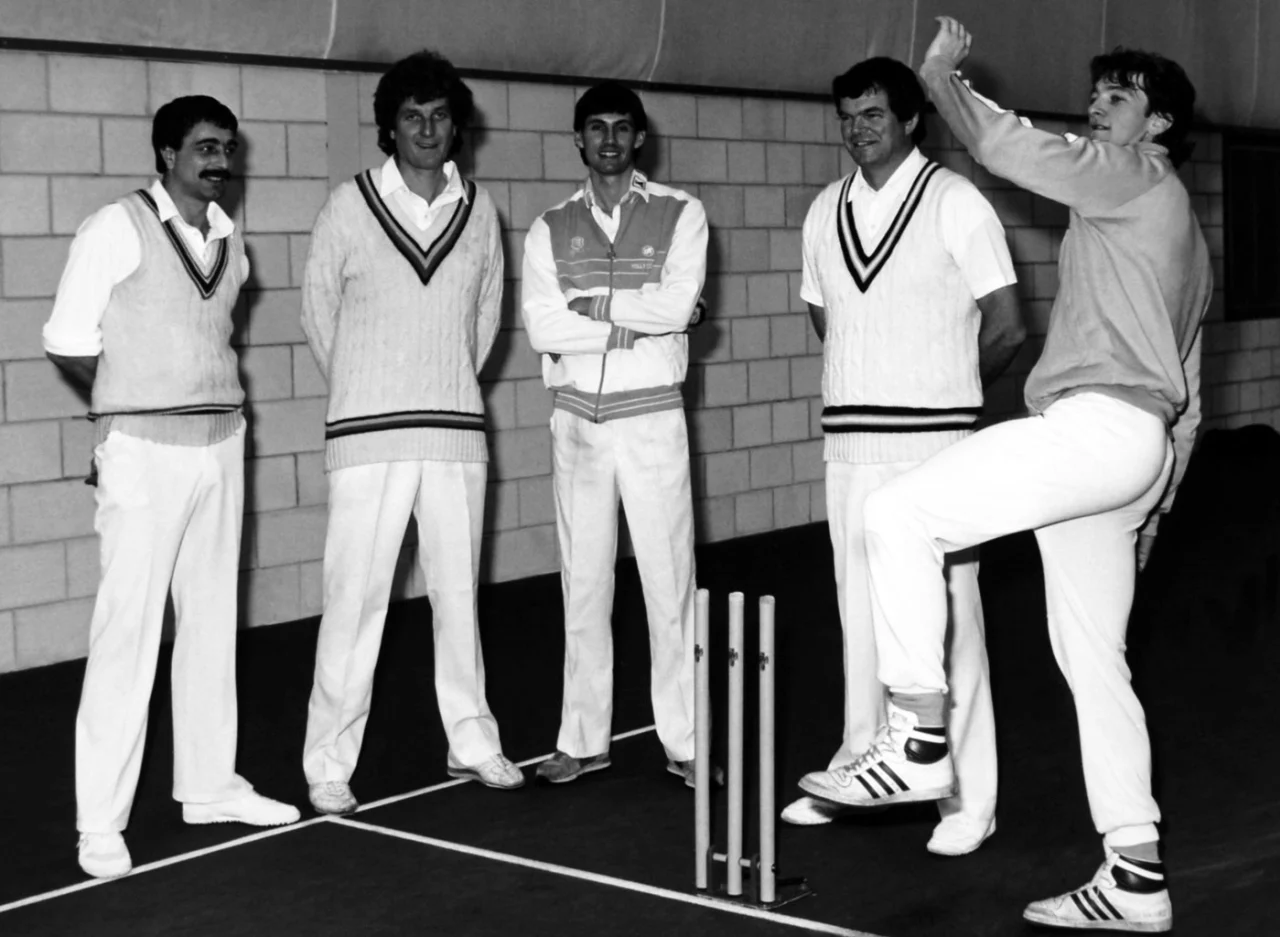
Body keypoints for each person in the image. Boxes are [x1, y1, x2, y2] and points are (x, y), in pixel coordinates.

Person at [826, 18, 1209, 933]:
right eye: (1096, 93)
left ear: (1156, 126)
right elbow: (1187, 398)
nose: (1095, 107)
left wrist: (944, 80)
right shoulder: (1177, 226)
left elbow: (1005, 144)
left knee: (897, 512)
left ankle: (919, 737)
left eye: (1117, 98)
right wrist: (1152, 506)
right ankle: (1136, 874)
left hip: (1096, 429)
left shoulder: (1132, 174)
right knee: (1095, 667)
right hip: (1130, 457)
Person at [42, 95, 301, 879]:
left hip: (222, 442)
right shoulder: (115, 227)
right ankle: (100, 821)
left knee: (213, 622)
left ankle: (209, 785)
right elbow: (66, 339)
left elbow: (210, 333)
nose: (218, 161)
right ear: (165, 155)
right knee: (127, 634)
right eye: (202, 148)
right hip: (143, 451)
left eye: (227, 147)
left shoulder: (230, 234)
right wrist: (126, 410)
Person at [787, 57, 1022, 858]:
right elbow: (832, 320)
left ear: (913, 119)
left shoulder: (956, 201)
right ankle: (858, 763)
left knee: (951, 621)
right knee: (862, 614)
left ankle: (967, 795)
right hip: (851, 441)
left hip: (936, 445)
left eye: (875, 114)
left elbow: (1008, 324)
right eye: (848, 115)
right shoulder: (824, 209)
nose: (859, 128)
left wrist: (946, 396)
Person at [300, 50, 521, 814]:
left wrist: (441, 384)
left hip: (455, 432)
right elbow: (318, 317)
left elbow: (484, 321)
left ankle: (474, 740)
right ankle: (328, 761)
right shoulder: (347, 206)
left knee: (458, 598)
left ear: (458, 127)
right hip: (367, 436)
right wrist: (371, 388)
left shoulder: (481, 211)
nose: (427, 129)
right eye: (411, 117)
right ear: (388, 128)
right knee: (354, 602)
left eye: (439, 116)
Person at [520, 81, 709, 786]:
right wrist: (642, 316)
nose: (608, 140)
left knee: (670, 584)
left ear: (639, 139)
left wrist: (594, 305)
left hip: (652, 417)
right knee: (585, 585)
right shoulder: (549, 227)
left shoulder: (681, 213)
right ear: (578, 140)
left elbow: (680, 301)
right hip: (576, 423)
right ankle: (582, 738)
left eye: (621, 128)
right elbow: (543, 325)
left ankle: (686, 741)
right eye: (595, 128)